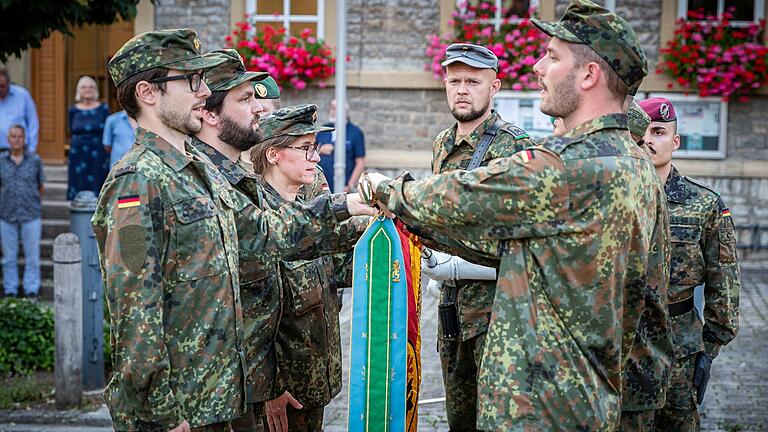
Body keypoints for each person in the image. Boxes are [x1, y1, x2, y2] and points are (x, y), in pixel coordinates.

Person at [359, 0, 670, 429]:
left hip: (542, 407)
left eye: (553, 56)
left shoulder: (566, 165)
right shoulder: (639, 167)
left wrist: (383, 190)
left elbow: (463, 195)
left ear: (589, 75)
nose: (538, 68)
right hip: (587, 399)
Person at [92, 29, 374, 432]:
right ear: (148, 93)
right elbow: (134, 309)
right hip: (179, 413)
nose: (202, 91)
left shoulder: (198, 174)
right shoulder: (135, 184)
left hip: (218, 401)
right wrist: (163, 415)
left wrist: (347, 206)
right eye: (190, 81)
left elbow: (267, 231)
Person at [419, 42, 535, 431]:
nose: (462, 89)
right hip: (452, 309)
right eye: (455, 81)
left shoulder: (516, 145)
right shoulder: (442, 143)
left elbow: (528, 232)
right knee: (460, 419)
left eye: (473, 81)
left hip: (498, 313)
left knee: (500, 420)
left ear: (495, 86)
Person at [250, 105, 367, 432]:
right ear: (273, 154)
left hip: (315, 379)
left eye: (315, 148)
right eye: (305, 149)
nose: (316, 157)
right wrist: (269, 389)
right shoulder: (257, 217)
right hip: (281, 392)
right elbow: (252, 314)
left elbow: (338, 270)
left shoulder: (307, 211)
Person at [639, 97, 741, 431]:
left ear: (675, 140)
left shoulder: (704, 204)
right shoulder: (609, 197)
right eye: (640, 134)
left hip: (678, 345)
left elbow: (723, 278)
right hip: (621, 343)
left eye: (658, 132)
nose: (649, 141)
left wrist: (710, 349)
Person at [0, 125, 44, 298]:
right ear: (8, 139)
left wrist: (32, 201)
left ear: (24, 139)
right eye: (13, 136)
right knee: (9, 257)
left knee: (32, 257)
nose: (17, 139)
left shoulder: (35, 160)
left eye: (20, 136)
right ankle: (10, 290)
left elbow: (41, 186)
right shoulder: (1, 161)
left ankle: (31, 290)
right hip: (6, 214)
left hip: (31, 214)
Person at [67, 75, 110, 199]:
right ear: (79, 90)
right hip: (78, 152)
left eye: (91, 87)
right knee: (78, 182)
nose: (87, 89)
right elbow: (71, 129)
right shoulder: (73, 110)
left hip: (98, 152)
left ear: (95, 90)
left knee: (98, 181)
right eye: (84, 87)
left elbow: (107, 130)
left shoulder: (103, 108)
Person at [316, 99, 365, 192]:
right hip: (322, 187)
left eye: (335, 109)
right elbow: (310, 153)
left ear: (344, 112)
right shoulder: (323, 130)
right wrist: (320, 150)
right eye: (331, 108)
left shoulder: (355, 132)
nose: (332, 111)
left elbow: (360, 162)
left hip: (343, 186)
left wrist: (350, 185)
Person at [239, 75, 281, 173]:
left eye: (262, 110)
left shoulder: (290, 162)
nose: (255, 113)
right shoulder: (224, 162)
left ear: (277, 114)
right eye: (248, 107)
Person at [0, 68, 39, 153]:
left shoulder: (22, 96)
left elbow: (33, 124)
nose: (0, 89)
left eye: (2, 86)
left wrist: (31, 150)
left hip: (18, 151)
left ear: (8, 84)